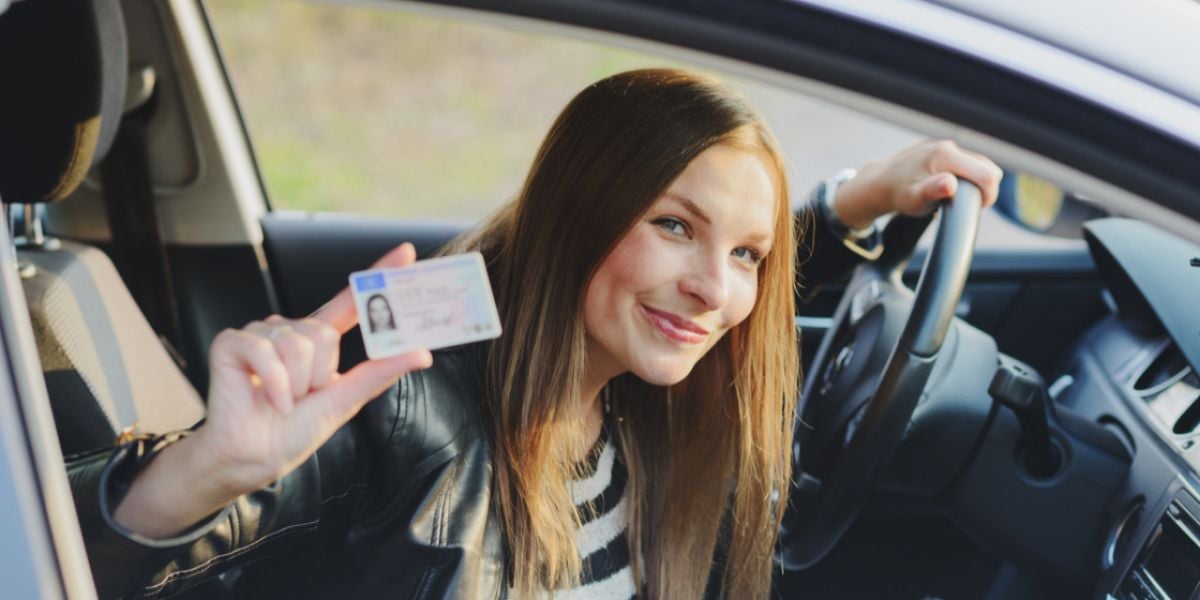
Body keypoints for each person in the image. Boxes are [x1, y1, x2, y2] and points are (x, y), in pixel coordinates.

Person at [68, 69, 1000, 599]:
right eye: (673, 225)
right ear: (578, 211)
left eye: (749, 255)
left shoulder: (634, 374)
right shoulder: (408, 381)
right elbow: (62, 559)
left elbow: (716, 276)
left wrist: (856, 199)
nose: (717, 291)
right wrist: (209, 469)